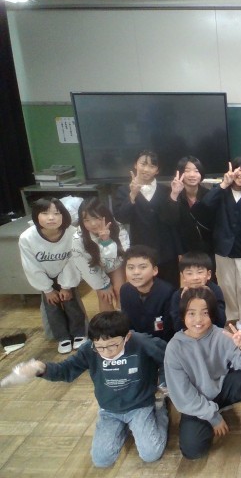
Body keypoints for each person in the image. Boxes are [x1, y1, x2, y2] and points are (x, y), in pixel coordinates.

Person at [2, 311, 168, 467]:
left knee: (150, 454)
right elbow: (66, 370)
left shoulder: (142, 342)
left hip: (140, 405)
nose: (107, 352)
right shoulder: (89, 349)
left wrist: (163, 383)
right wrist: (41, 368)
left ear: (127, 337)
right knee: (101, 460)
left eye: (112, 346)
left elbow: (168, 359)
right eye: (100, 347)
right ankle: (123, 428)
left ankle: (160, 410)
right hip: (109, 409)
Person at [164, 287, 241, 477]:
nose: (198, 319)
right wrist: (213, 417)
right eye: (191, 313)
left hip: (222, 388)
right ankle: (215, 411)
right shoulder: (174, 348)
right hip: (196, 400)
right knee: (192, 450)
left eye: (204, 313)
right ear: (182, 315)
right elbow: (183, 394)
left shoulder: (221, 335)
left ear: (212, 314)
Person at [193, 156, 241, 328]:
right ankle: (233, 315)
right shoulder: (220, 190)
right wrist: (223, 184)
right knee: (227, 285)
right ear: (232, 169)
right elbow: (204, 206)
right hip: (222, 248)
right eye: (240, 170)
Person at [19, 197, 87, 354]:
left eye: (56, 213)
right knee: (51, 306)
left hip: (67, 273)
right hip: (43, 275)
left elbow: (73, 261)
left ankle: (79, 333)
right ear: (36, 215)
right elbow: (31, 265)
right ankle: (62, 337)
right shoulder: (27, 238)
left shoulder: (72, 233)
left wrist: (66, 286)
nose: (51, 218)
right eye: (45, 213)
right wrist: (48, 289)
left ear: (63, 215)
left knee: (71, 302)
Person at [113, 150, 181, 287]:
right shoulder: (123, 191)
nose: (146, 169)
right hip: (140, 252)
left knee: (171, 288)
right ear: (135, 165)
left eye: (152, 166)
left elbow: (173, 220)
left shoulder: (167, 190)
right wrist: (132, 195)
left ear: (157, 170)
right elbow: (122, 218)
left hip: (166, 252)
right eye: (143, 164)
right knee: (144, 290)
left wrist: (174, 196)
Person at [71, 197, 129, 312]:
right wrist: (103, 285)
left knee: (121, 291)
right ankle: (108, 322)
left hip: (115, 263)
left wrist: (106, 241)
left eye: (96, 218)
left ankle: (123, 319)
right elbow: (85, 268)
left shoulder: (117, 228)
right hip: (93, 268)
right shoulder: (77, 239)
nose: (92, 224)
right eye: (86, 220)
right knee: (105, 297)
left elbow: (119, 258)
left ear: (105, 216)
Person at [166, 155, 215, 269]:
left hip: (208, 249)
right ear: (180, 173)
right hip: (184, 249)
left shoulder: (209, 195)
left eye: (196, 171)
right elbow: (171, 222)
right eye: (187, 171)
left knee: (209, 276)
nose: (192, 175)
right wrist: (174, 195)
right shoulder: (173, 195)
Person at [120, 245, 175, 342]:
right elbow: (126, 322)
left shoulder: (167, 292)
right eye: (131, 268)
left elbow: (168, 329)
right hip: (134, 342)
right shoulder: (125, 290)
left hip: (161, 343)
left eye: (143, 267)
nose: (136, 272)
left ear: (155, 270)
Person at [169, 251, 226, 333]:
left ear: (209, 274)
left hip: (212, 334)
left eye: (200, 272)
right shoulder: (178, 295)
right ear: (183, 276)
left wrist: (210, 299)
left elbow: (221, 323)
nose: (195, 277)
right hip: (187, 336)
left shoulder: (215, 290)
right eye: (189, 273)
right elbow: (177, 327)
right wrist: (183, 302)